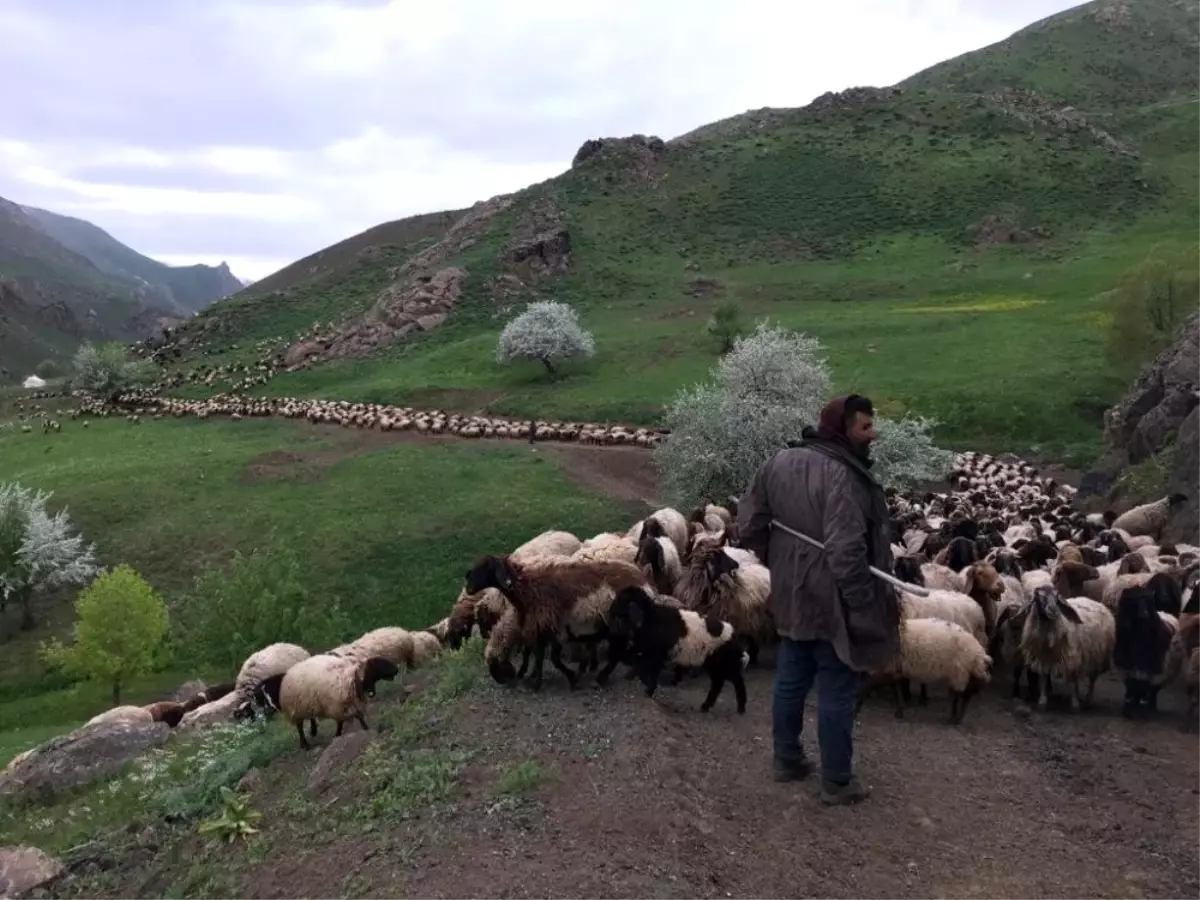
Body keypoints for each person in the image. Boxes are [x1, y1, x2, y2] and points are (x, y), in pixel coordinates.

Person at [735, 394, 900, 806]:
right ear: (843, 428)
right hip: (833, 597)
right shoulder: (842, 474)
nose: (872, 434)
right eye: (864, 426)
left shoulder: (778, 462)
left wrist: (779, 559)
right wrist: (863, 602)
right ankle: (838, 780)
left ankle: (787, 759)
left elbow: (750, 524)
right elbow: (846, 551)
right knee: (837, 683)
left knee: (791, 675)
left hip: (791, 590)